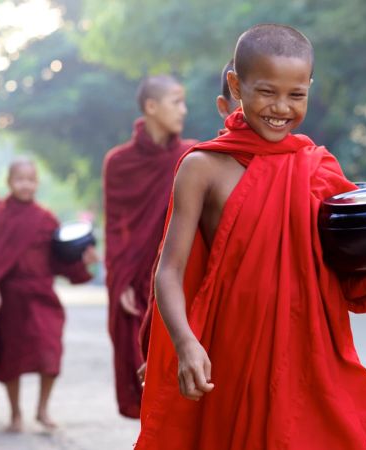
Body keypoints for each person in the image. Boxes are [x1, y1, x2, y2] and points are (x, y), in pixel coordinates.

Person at [136, 24, 366, 449]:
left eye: (296, 95)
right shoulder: (202, 167)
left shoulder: (317, 169)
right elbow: (169, 271)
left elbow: (349, 282)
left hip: (309, 361)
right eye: (266, 92)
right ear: (236, 86)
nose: (281, 108)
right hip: (231, 358)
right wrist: (185, 344)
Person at [136, 61, 242, 385]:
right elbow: (122, 230)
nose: (183, 110)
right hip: (156, 270)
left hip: (192, 277)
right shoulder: (202, 163)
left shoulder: (201, 156)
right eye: (176, 102)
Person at [0, 159, 98, 432]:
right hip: (11, 299)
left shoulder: (45, 218)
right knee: (12, 359)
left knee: (50, 352)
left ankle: (42, 409)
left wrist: (84, 262)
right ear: (9, 182)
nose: (25, 185)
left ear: (37, 183)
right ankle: (16, 414)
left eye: (30, 180)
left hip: (42, 295)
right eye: (20, 180)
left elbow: (60, 260)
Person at [102, 74, 197, 418]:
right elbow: (116, 225)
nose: (183, 110)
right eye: (176, 102)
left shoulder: (193, 156)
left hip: (181, 274)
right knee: (142, 369)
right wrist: (122, 278)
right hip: (136, 278)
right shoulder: (118, 162)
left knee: (185, 370)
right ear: (151, 107)